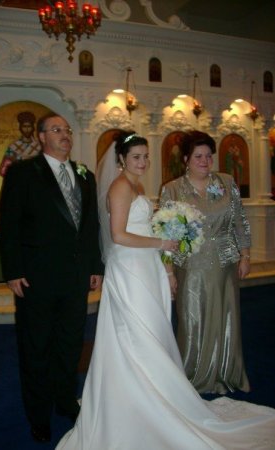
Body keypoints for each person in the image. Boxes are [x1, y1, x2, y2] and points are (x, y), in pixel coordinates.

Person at [56, 131, 275, 449]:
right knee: (138, 333)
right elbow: (118, 235)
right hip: (130, 269)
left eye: (146, 156)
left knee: (151, 333)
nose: (143, 162)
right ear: (121, 159)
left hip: (144, 265)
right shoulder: (120, 187)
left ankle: (149, 392)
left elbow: (140, 225)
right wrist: (162, 242)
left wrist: (162, 249)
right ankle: (139, 399)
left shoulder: (136, 185)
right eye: (136, 157)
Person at [0, 112, 104, 443]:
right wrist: (13, 270)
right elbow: (9, 224)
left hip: (74, 279)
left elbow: (90, 226)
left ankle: (63, 400)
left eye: (68, 130)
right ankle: (39, 414)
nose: (65, 134)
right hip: (36, 279)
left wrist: (95, 266)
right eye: (56, 130)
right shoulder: (23, 173)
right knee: (37, 348)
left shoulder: (84, 175)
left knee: (70, 345)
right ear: (42, 137)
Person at [160, 130, 251, 395]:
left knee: (227, 318)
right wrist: (169, 272)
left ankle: (226, 372)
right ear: (186, 158)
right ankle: (192, 374)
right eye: (198, 156)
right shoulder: (173, 189)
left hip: (224, 264)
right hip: (191, 266)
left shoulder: (226, 182)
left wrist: (244, 256)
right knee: (192, 321)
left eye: (209, 156)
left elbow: (239, 222)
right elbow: (166, 234)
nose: (205, 160)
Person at [0, 111, 41, 176]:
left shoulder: (40, 146)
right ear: (20, 128)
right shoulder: (13, 147)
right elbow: (3, 171)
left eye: (29, 126)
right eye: (24, 126)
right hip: (19, 180)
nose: (27, 129)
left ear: (33, 128)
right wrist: (15, 162)